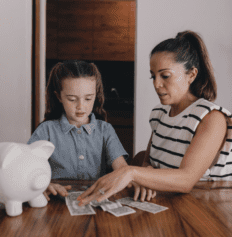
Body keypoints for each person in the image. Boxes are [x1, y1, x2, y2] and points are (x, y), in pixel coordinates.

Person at [77, 30, 232, 206]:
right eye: (153, 76)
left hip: (203, 213)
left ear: (191, 74)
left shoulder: (211, 118)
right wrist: (145, 171)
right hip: (168, 207)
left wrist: (130, 172)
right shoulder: (159, 114)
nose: (156, 84)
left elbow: (186, 180)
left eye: (165, 76)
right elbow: (149, 161)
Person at [28, 60, 156, 202]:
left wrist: (134, 180)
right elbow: (25, 166)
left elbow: (121, 168)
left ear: (96, 95)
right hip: (54, 202)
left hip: (94, 200)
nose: (81, 106)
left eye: (88, 98)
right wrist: (43, 185)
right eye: (71, 99)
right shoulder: (46, 130)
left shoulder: (105, 130)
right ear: (59, 97)